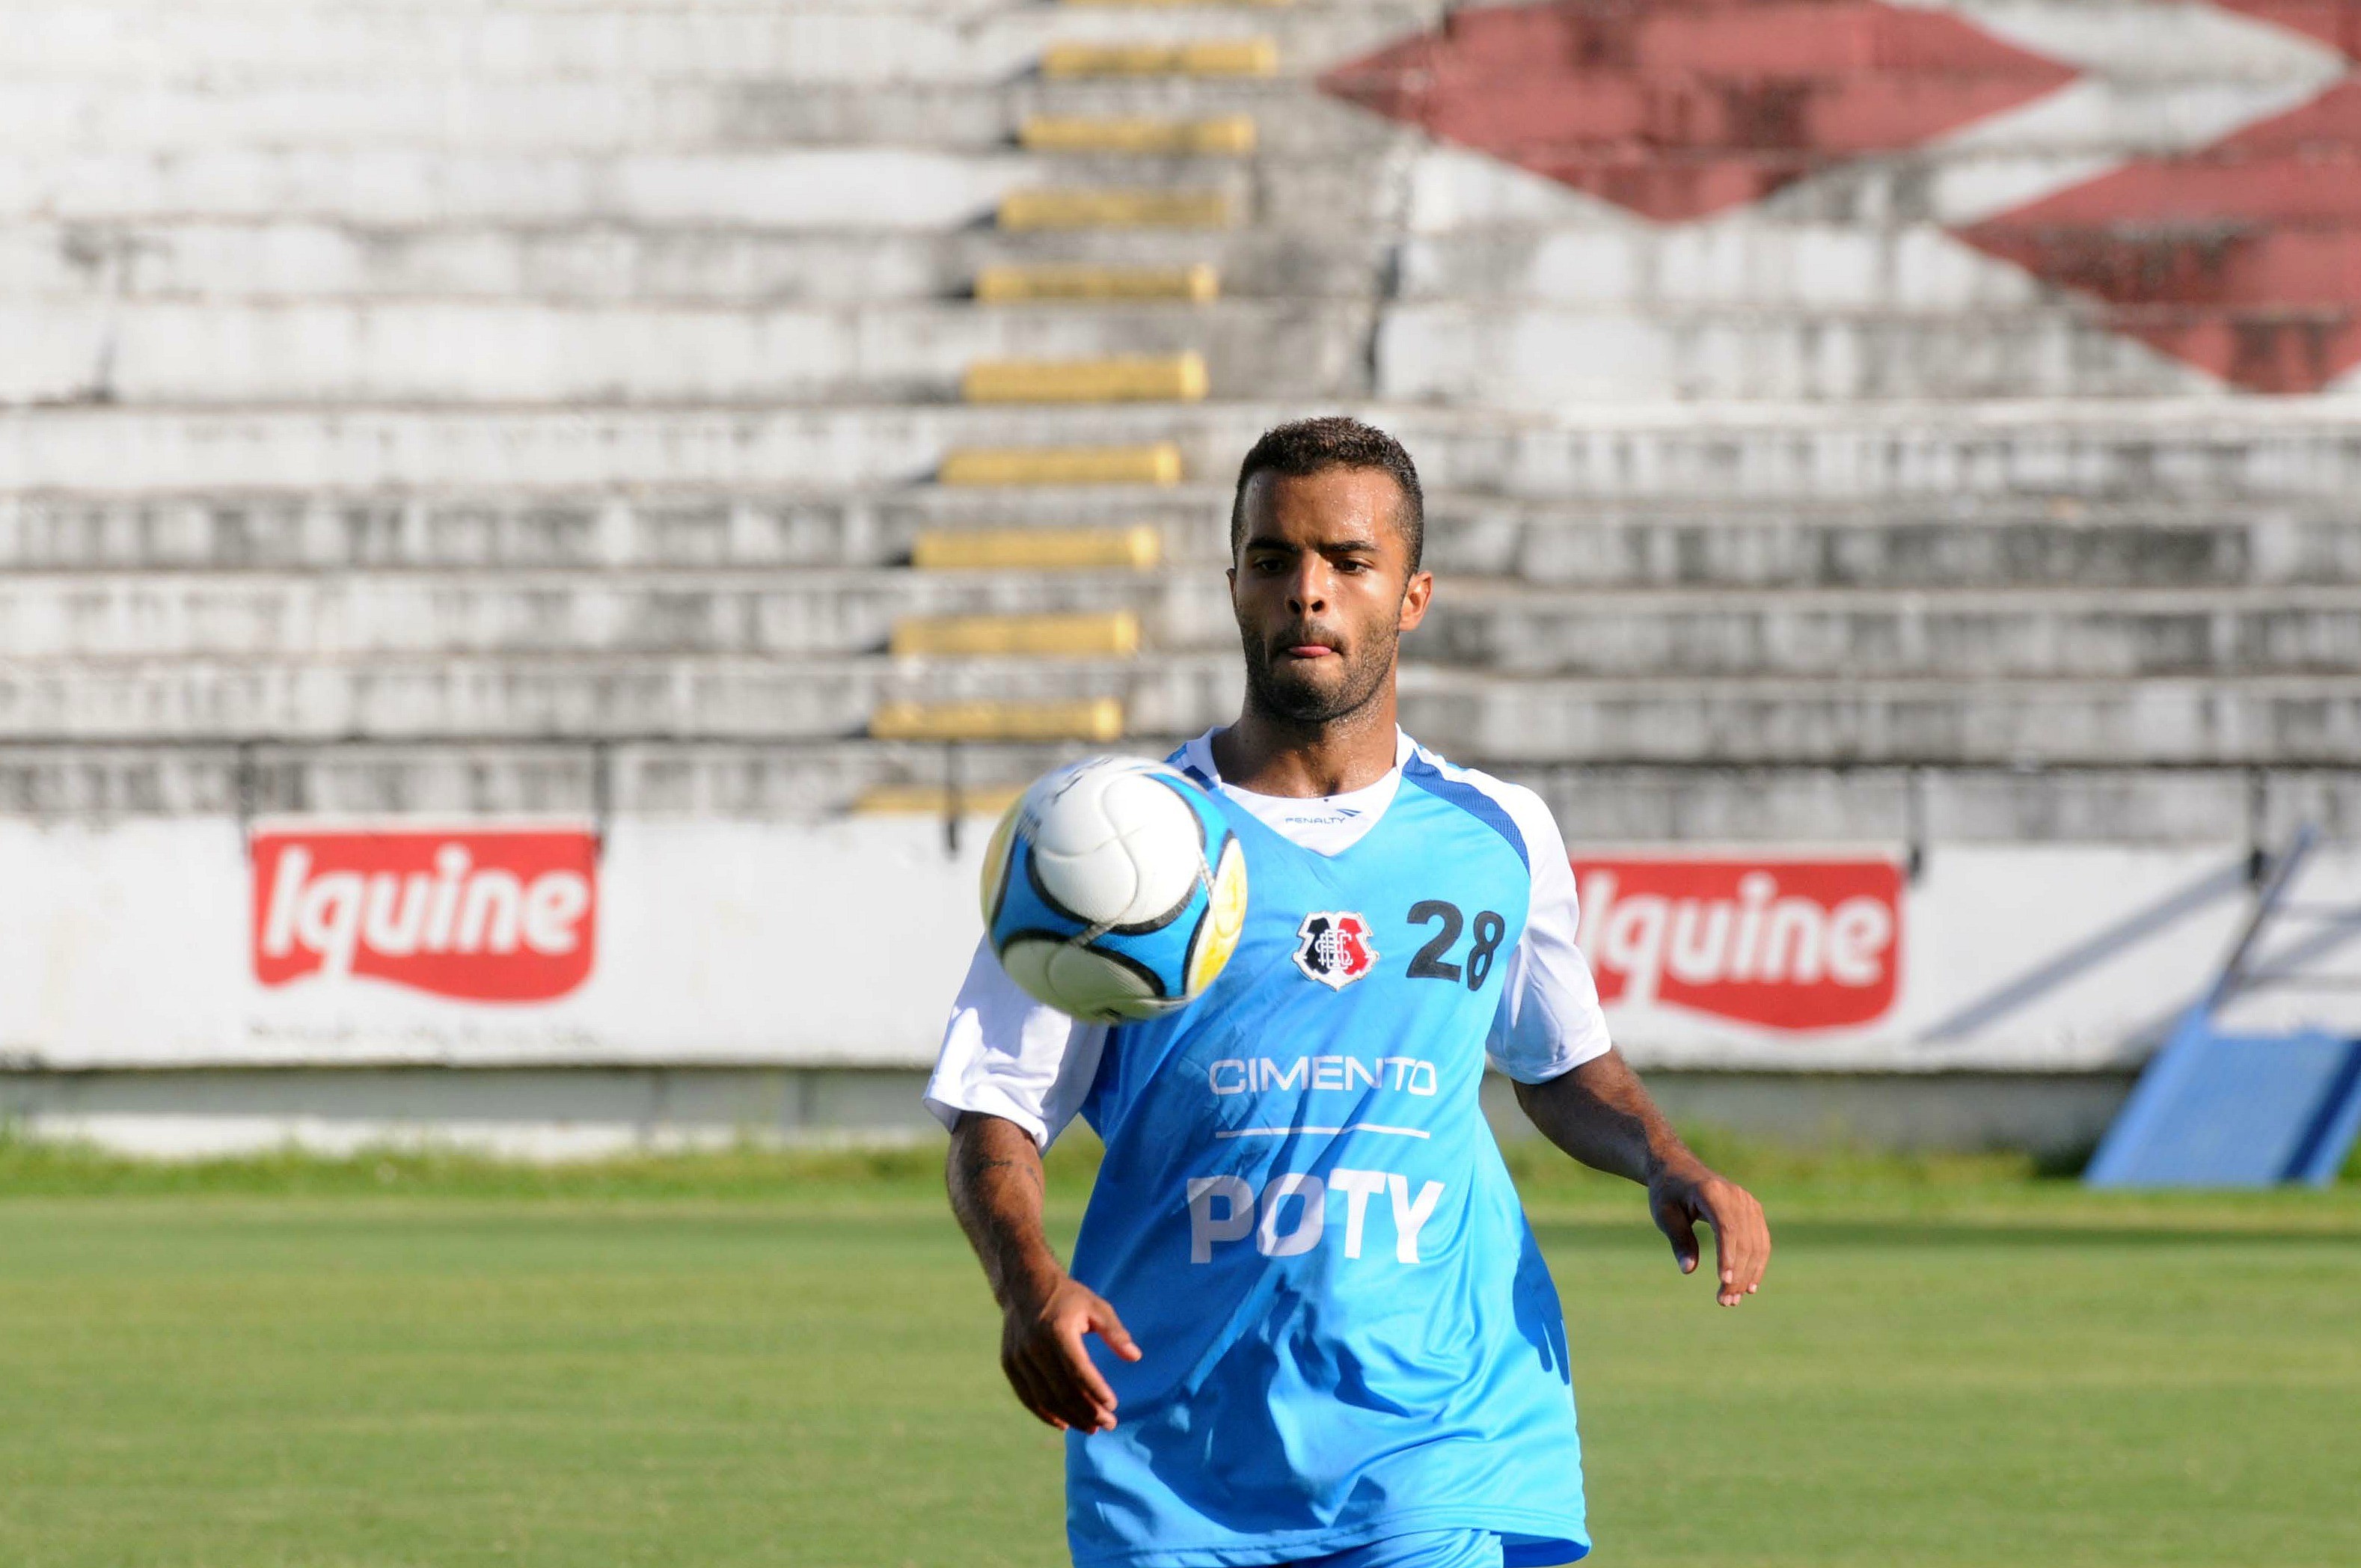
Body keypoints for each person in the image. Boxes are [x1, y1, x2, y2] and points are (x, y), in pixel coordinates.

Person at [925, 416, 1771, 1568]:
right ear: (1234, 585)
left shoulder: (1497, 833)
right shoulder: (1110, 841)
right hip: (1173, 1444)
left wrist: (1667, 1160)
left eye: (1348, 562)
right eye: (1274, 560)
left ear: (1412, 596)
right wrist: (1027, 1285)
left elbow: (1562, 1066)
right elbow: (997, 1106)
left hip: (1439, 1434)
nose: (1307, 594)